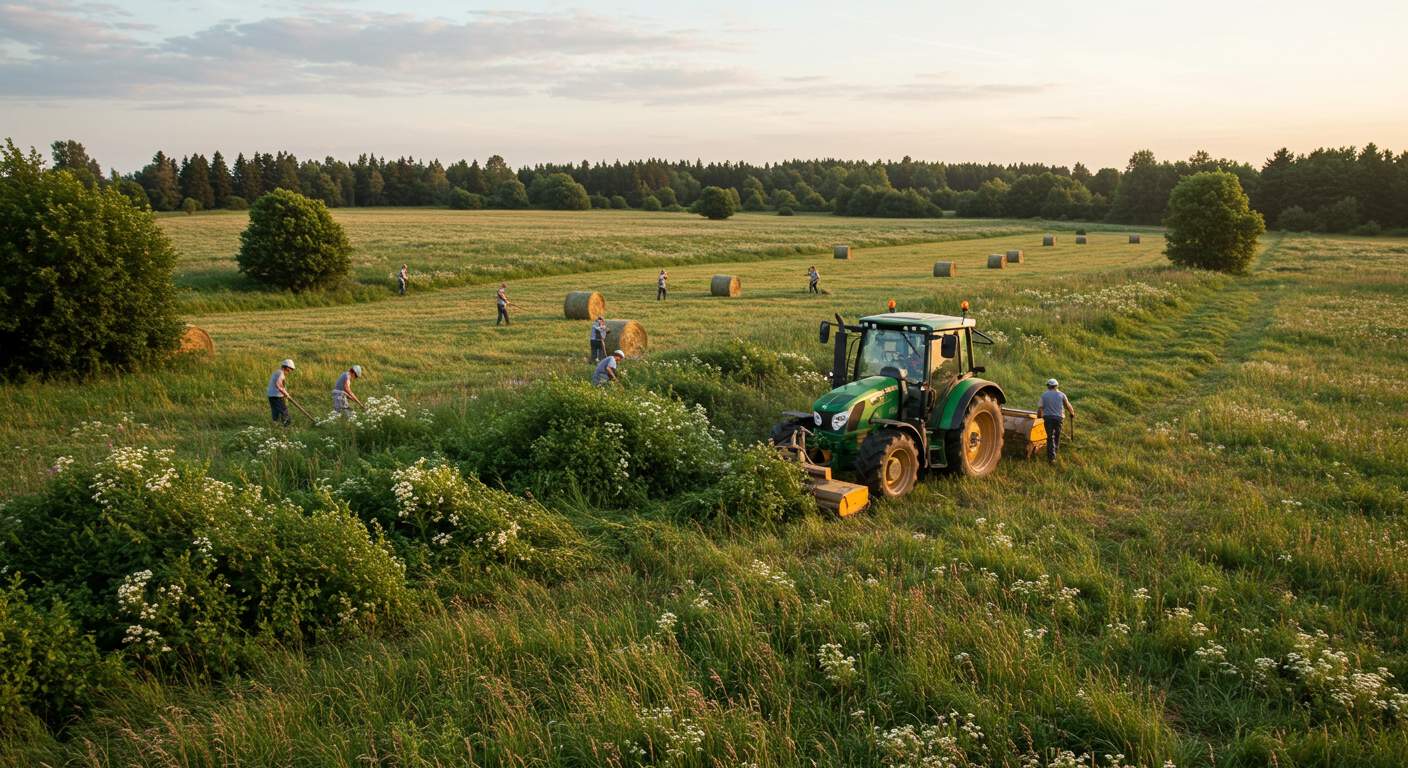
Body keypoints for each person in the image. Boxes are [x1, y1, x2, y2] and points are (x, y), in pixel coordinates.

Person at [1037, 378, 1076, 463]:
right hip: (1059, 418)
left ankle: (1051, 457)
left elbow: (1040, 408)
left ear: (1048, 386)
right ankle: (1055, 452)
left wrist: (1039, 416)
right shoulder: (1062, 395)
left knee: (1050, 437)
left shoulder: (1044, 395)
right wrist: (1072, 413)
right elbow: (1068, 405)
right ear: (1056, 386)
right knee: (1057, 435)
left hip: (1048, 418)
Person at [267, 359, 295, 426]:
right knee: (284, 410)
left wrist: (285, 393)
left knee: (275, 411)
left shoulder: (277, 372)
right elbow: (278, 385)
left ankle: (275, 424)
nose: (291, 371)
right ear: (288, 368)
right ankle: (287, 425)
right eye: (291, 369)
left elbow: (280, 385)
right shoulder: (280, 373)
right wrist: (285, 394)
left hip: (271, 395)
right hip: (277, 396)